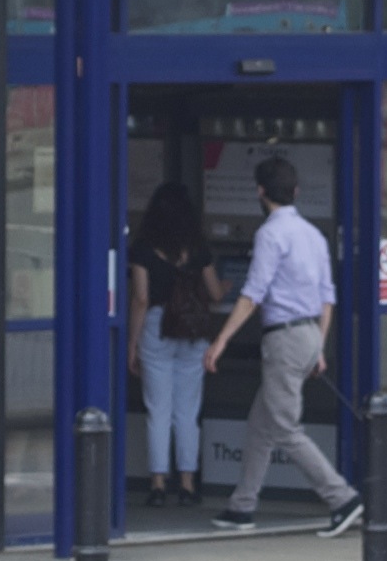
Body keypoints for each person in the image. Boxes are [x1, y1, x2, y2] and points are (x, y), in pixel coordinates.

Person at [198, 157, 365, 536]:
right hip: (308, 334)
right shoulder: (313, 235)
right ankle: (242, 506)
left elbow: (253, 293)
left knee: (286, 428)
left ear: (260, 192)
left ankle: (342, 498)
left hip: (284, 337)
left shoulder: (270, 235)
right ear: (296, 192)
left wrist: (221, 340)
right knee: (262, 424)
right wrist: (319, 347)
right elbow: (328, 297)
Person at [125, 181, 218, 507]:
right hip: (193, 331)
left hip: (157, 328)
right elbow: (216, 293)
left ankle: (159, 484)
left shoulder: (143, 249)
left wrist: (131, 344)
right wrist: (230, 284)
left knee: (158, 410)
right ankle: (189, 484)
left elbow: (140, 298)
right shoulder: (198, 247)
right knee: (187, 412)